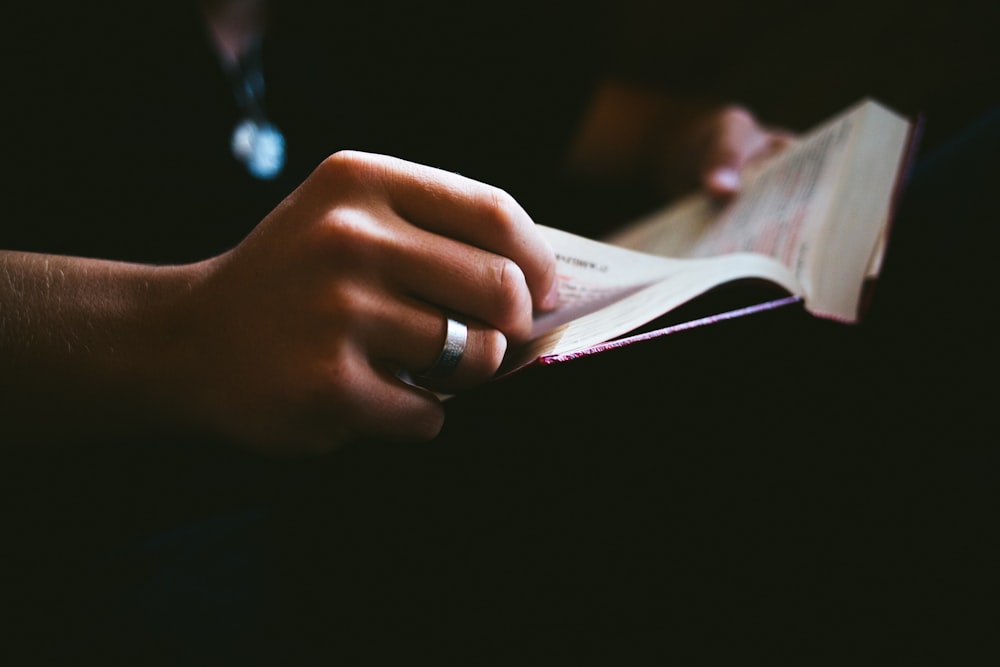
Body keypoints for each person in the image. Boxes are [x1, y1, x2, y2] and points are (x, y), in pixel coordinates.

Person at [1, 1, 996, 664]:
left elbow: (626, 123)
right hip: (151, 550)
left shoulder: (373, 30)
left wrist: (702, 145)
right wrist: (181, 327)